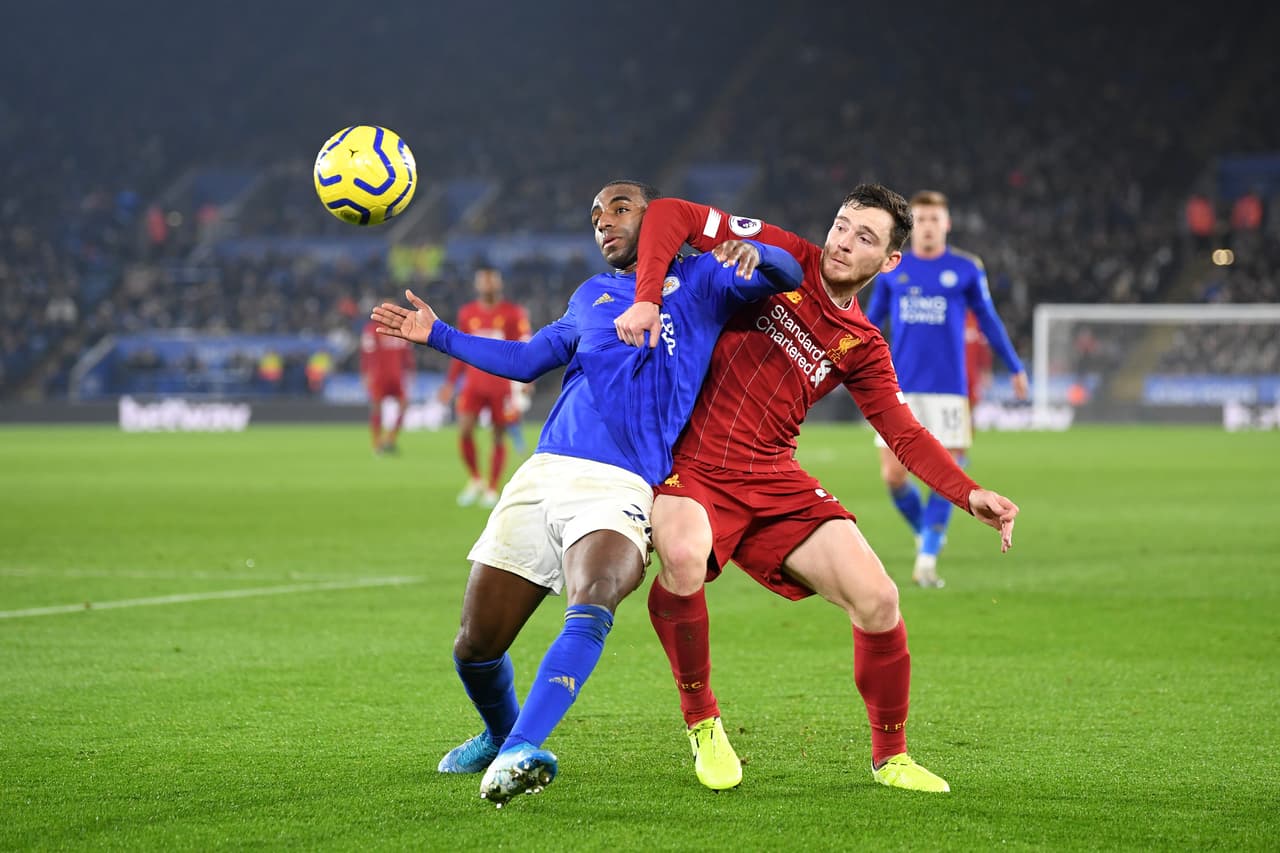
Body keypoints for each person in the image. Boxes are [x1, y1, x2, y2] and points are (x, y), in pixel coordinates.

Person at [370, 180, 803, 807]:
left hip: (622, 482)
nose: (604, 222)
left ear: (658, 220)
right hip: (543, 474)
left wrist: (753, 254)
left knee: (596, 593)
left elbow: (790, 270)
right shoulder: (590, 295)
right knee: (474, 648)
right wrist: (438, 336)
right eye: (596, 215)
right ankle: (498, 735)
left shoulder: (706, 280)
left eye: (620, 209)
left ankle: (523, 747)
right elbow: (527, 359)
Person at [611, 185, 1020, 795]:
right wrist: (646, 300)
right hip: (695, 464)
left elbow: (903, 433)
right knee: (684, 557)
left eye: (864, 237)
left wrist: (970, 494)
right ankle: (703, 721)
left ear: (889, 262)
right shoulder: (784, 253)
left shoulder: (862, 342)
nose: (842, 241)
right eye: (841, 224)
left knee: (879, 598)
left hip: (775, 477)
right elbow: (670, 213)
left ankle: (892, 757)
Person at [865, 190, 1027, 588]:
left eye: (935, 218)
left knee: (945, 478)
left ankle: (926, 559)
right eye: (920, 219)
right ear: (910, 226)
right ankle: (928, 534)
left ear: (947, 224)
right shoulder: (892, 269)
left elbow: (989, 321)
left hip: (950, 391)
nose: (928, 226)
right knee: (893, 477)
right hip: (897, 388)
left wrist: (1016, 367)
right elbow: (868, 324)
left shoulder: (966, 269)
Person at [436, 266, 531, 507]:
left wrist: (529, 378)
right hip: (473, 383)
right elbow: (460, 350)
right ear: (477, 285)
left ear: (498, 284)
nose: (487, 285)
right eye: (483, 281)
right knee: (465, 430)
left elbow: (525, 346)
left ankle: (491, 487)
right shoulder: (468, 313)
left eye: (491, 281)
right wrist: (449, 383)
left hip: (500, 383)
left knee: (498, 436)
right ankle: (476, 479)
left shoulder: (512, 313)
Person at [360, 307, 415, 454]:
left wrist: (410, 371)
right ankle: (377, 443)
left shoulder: (402, 329)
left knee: (404, 405)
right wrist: (366, 373)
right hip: (379, 376)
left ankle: (390, 439)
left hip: (397, 376)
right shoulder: (372, 329)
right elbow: (367, 353)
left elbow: (407, 355)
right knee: (377, 407)